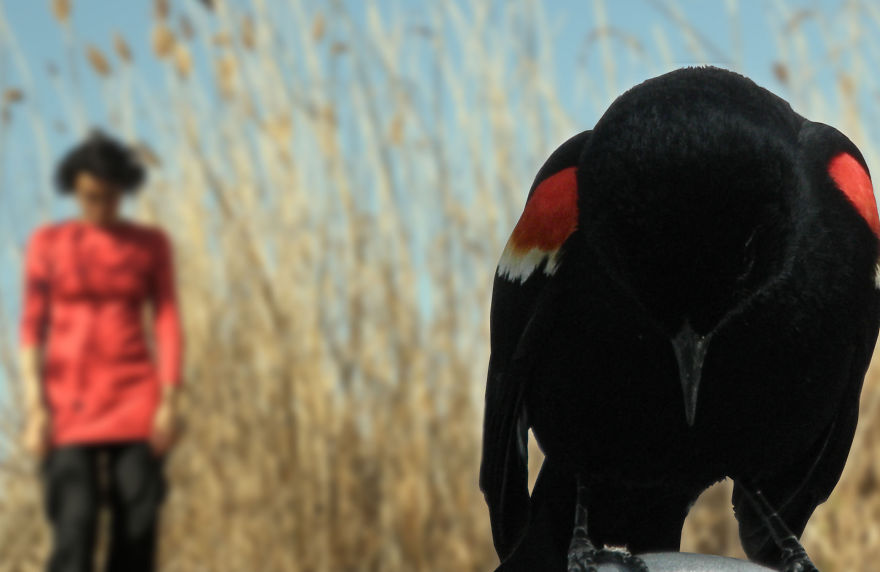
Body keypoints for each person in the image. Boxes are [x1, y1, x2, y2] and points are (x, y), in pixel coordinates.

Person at [19, 130, 183, 572]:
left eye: (111, 196)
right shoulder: (48, 242)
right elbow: (32, 328)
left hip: (135, 399)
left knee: (138, 524)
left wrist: (169, 400)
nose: (100, 207)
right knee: (76, 522)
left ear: (124, 191)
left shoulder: (151, 244)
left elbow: (167, 322)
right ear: (73, 187)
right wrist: (34, 408)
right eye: (90, 196)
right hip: (67, 401)